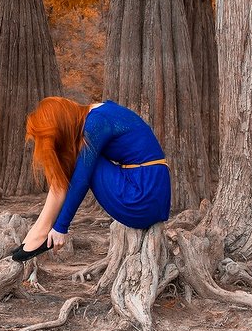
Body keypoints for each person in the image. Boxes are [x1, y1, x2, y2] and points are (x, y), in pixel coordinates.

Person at [15, 96, 171, 259]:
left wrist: (61, 227)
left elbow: (81, 180)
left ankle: (42, 232)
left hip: (141, 198)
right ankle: (39, 229)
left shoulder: (96, 122)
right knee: (76, 158)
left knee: (81, 162)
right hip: (150, 191)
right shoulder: (100, 112)